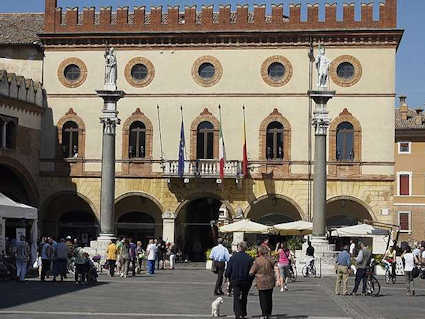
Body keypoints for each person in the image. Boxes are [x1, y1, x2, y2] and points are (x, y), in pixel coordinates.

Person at [225, 241, 253, 319]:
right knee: (244, 297)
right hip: (246, 280)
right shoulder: (249, 258)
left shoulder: (233, 257)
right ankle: (243, 313)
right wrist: (250, 280)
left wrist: (227, 276)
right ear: (245, 248)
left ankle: (237, 314)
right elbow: (252, 271)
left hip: (235, 280)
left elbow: (228, 269)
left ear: (239, 247)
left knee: (236, 297)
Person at [250, 245, 275, 319]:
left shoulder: (257, 260)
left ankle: (264, 314)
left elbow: (251, 272)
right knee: (269, 298)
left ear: (259, 252)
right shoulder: (270, 259)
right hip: (270, 280)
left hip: (261, 281)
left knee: (262, 298)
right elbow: (275, 264)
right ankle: (269, 313)